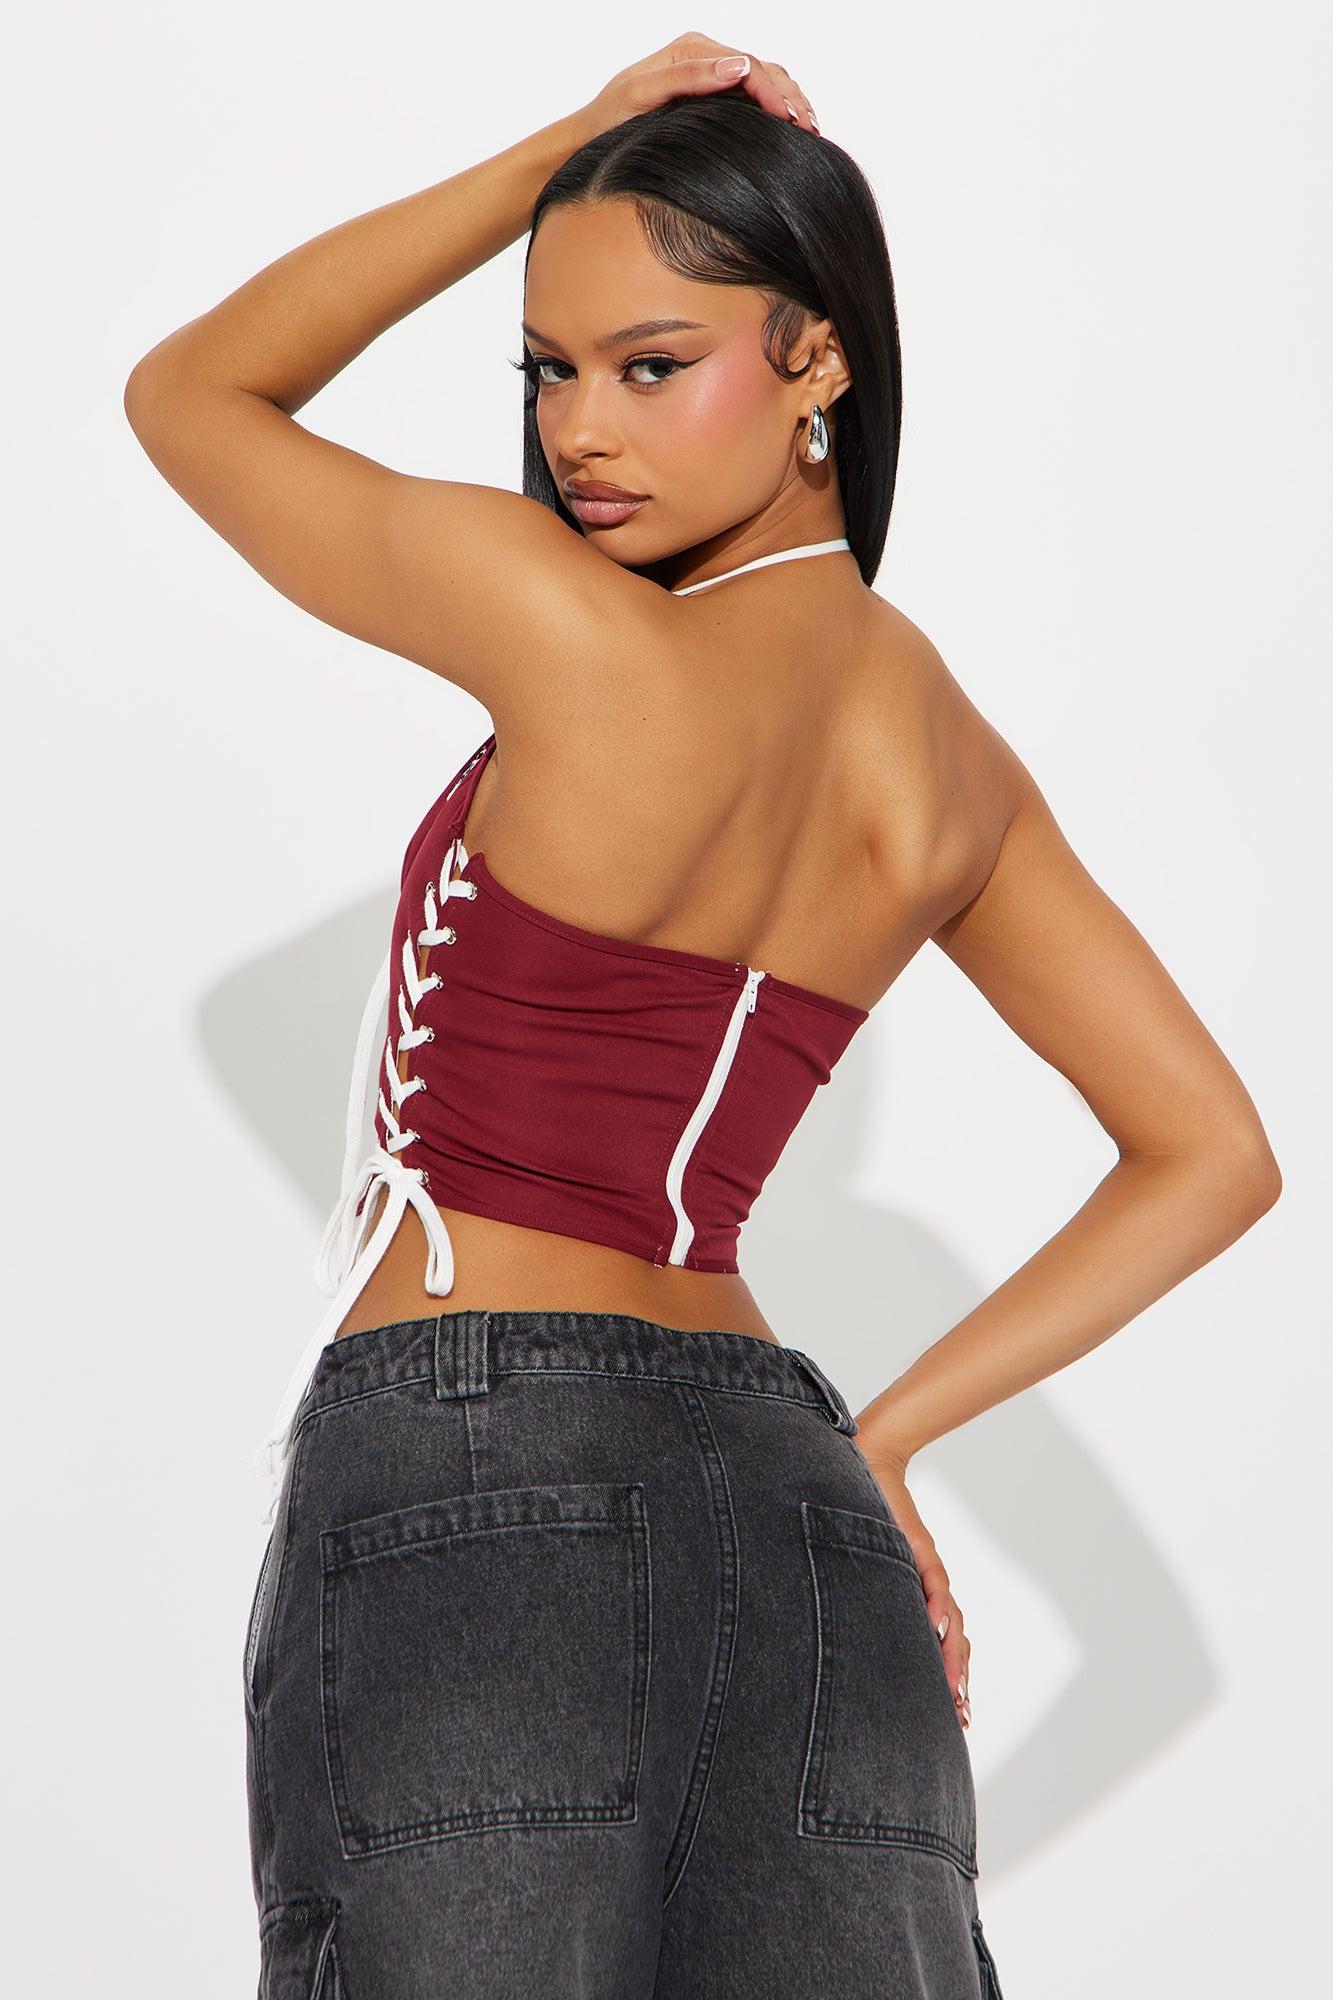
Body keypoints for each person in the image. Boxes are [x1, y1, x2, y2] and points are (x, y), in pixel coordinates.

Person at [123, 33, 1281, 2000]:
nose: (583, 431)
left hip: (474, 1460)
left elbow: (190, 394)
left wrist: (561, 151)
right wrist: (887, 1440)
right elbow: (1212, 1154)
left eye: (652, 367)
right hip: (794, 1500)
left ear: (818, 358)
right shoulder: (950, 761)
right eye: (547, 370)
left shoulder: (558, 624)